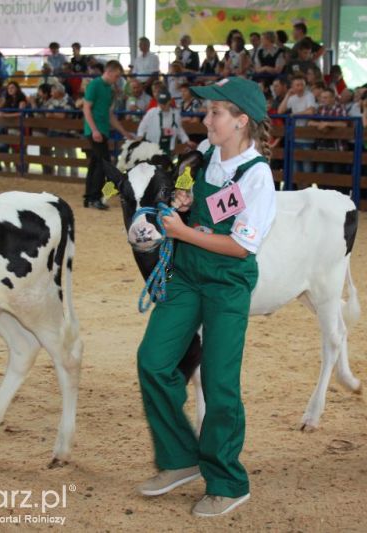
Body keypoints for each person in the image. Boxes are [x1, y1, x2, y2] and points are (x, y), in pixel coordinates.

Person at [136, 76, 276, 517]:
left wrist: (180, 232)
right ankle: (179, 458)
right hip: (187, 276)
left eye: (215, 112)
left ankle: (228, 481)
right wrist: (184, 201)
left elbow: (240, 245)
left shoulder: (258, 177)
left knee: (218, 381)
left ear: (241, 121)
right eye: (208, 111)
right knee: (153, 361)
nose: (206, 118)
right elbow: (212, 210)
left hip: (226, 283)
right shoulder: (210, 158)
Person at [82, 60, 133, 209]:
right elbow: (86, 109)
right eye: (116, 76)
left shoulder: (109, 89)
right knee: (103, 163)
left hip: (102, 130)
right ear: (109, 72)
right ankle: (95, 197)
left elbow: (110, 115)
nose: (117, 79)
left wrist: (124, 132)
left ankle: (89, 198)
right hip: (95, 131)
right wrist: (94, 130)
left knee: (95, 163)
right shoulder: (94, 85)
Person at [136, 87, 194, 155]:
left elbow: (179, 129)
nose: (161, 105)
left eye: (164, 103)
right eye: (160, 103)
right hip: (153, 146)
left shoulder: (175, 114)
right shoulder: (151, 113)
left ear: (169, 102)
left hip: (168, 147)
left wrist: (187, 140)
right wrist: (140, 136)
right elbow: (142, 126)